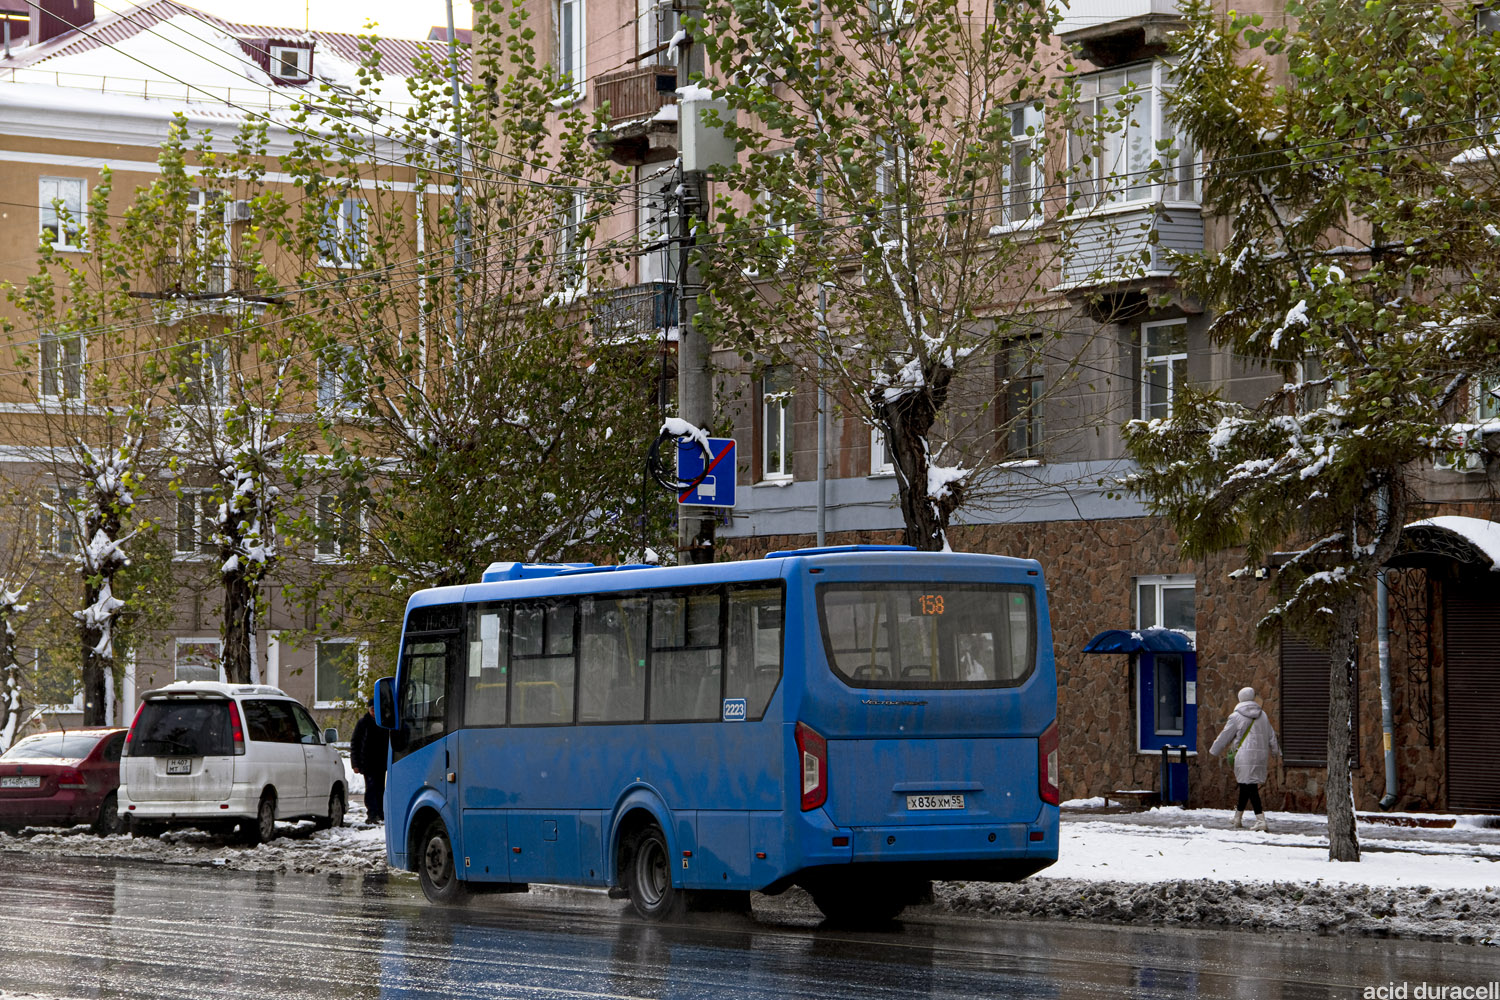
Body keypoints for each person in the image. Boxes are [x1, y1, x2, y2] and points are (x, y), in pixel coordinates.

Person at [1209, 685, 1281, 832]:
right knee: (1245, 786)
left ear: (1240, 698)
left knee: (1250, 787)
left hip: (1244, 756)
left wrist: (1214, 750)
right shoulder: (1263, 715)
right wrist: (1275, 751)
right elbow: (1271, 735)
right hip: (1260, 756)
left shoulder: (1236, 716)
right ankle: (1237, 817)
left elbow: (1225, 735)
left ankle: (1260, 820)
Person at [350, 699, 389, 824]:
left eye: (376, 709)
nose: (374, 712)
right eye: (372, 709)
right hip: (367, 763)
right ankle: (372, 814)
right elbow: (355, 743)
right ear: (369, 710)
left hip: (381, 762)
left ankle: (381, 813)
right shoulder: (363, 723)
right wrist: (355, 764)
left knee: (380, 789)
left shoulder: (384, 723)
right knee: (371, 789)